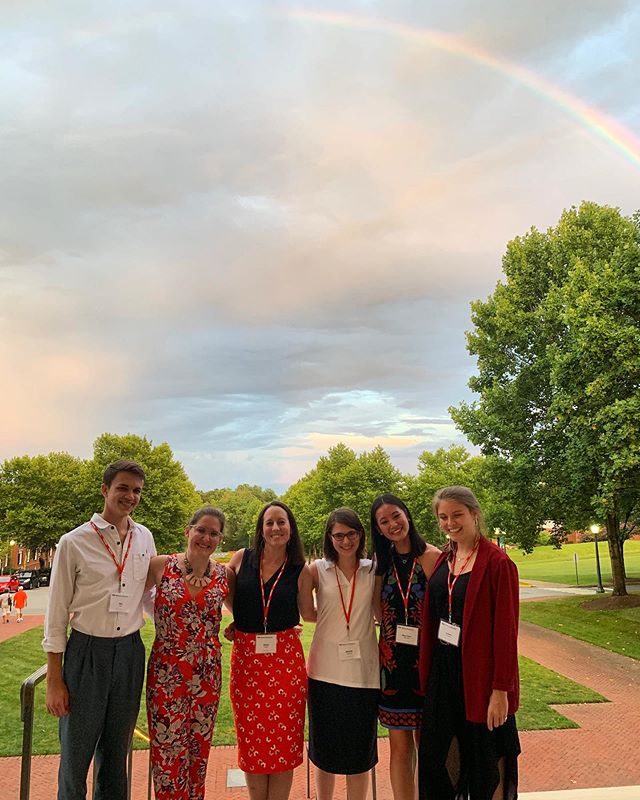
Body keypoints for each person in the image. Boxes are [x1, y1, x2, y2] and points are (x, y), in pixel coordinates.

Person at [43, 459, 156, 800]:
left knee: (116, 753)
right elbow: (56, 611)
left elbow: (147, 596)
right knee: (76, 755)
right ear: (105, 490)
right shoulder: (73, 542)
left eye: (136, 490)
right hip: (86, 653)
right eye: (123, 488)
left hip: (129, 652)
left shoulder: (144, 538)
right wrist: (54, 677)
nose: (130, 496)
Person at [418, 486, 520, 800]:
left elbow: (506, 633)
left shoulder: (497, 563)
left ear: (474, 514)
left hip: (479, 678)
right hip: (443, 674)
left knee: (484, 764)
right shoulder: (445, 559)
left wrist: (500, 690)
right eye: (443, 517)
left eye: (457, 515)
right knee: (435, 759)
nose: (450, 523)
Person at [227, 501, 315, 800]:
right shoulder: (241, 559)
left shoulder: (300, 569)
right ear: (261, 529)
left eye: (282, 522)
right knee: (252, 743)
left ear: (291, 528)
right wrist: (238, 622)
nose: (276, 528)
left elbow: (309, 613)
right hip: (247, 665)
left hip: (285, 665)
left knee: (284, 743)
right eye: (270, 523)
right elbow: (224, 594)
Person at [145, 505, 229, 800]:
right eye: (201, 530)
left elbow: (244, 616)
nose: (206, 538)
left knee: (198, 750)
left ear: (220, 539)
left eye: (214, 533)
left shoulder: (224, 575)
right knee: (168, 754)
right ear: (188, 531)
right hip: (166, 673)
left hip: (207, 675)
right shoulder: (160, 566)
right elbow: (127, 599)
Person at [371, 494, 440, 800]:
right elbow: (376, 608)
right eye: (383, 521)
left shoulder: (433, 558)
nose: (392, 525)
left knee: (428, 746)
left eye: (395, 516)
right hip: (392, 664)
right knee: (399, 748)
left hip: (427, 662)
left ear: (407, 515)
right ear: (378, 528)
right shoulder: (380, 564)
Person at [307, 507, 379, 800]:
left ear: (361, 535)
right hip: (324, 671)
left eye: (351, 534)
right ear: (329, 537)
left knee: (360, 752)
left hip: (364, 673)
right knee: (324, 750)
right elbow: (302, 611)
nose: (346, 541)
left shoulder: (373, 568)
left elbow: (380, 611)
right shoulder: (316, 570)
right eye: (339, 535)